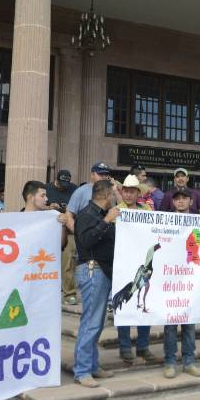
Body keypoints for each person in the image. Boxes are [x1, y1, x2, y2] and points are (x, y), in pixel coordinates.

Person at [72, 179, 120, 387]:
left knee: (96, 323)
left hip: (103, 271)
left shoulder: (100, 215)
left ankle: (91, 365)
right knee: (91, 322)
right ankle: (82, 370)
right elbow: (86, 241)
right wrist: (107, 220)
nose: (115, 199)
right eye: (114, 195)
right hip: (93, 270)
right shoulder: (86, 214)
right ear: (107, 195)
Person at [162, 186, 200, 378]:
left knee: (189, 323)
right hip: (171, 279)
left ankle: (189, 361)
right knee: (170, 325)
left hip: (189, 279)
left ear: (191, 201)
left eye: (184, 198)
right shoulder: (165, 221)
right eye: (177, 198)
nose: (180, 201)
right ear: (172, 201)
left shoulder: (198, 222)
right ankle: (170, 362)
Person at [115, 176, 156, 364]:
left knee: (144, 303)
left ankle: (143, 346)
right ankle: (124, 347)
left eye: (132, 191)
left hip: (142, 263)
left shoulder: (147, 210)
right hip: (123, 264)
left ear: (138, 193)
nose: (129, 194)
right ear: (122, 192)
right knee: (124, 305)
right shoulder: (116, 211)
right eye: (126, 191)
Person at [62, 163, 114, 305]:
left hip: (101, 239)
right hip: (80, 234)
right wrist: (79, 233)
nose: (104, 176)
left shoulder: (111, 190)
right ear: (92, 175)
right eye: (100, 174)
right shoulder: (81, 191)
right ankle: (69, 293)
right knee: (69, 264)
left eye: (106, 174)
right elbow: (69, 215)